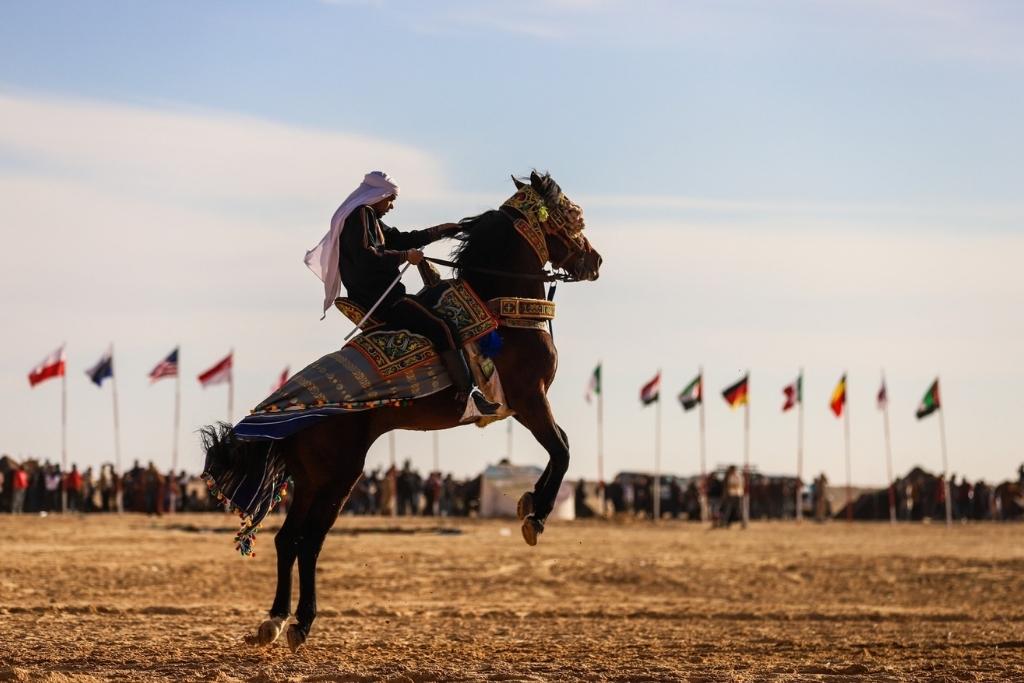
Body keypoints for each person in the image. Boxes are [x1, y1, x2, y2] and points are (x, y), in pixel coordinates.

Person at [305, 171, 499, 415]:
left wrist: (439, 231)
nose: (392, 205)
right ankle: (468, 394)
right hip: (385, 300)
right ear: (378, 195)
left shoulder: (370, 218)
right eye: (390, 199)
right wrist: (405, 257)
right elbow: (368, 257)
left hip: (380, 296)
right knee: (443, 327)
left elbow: (398, 238)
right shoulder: (361, 216)